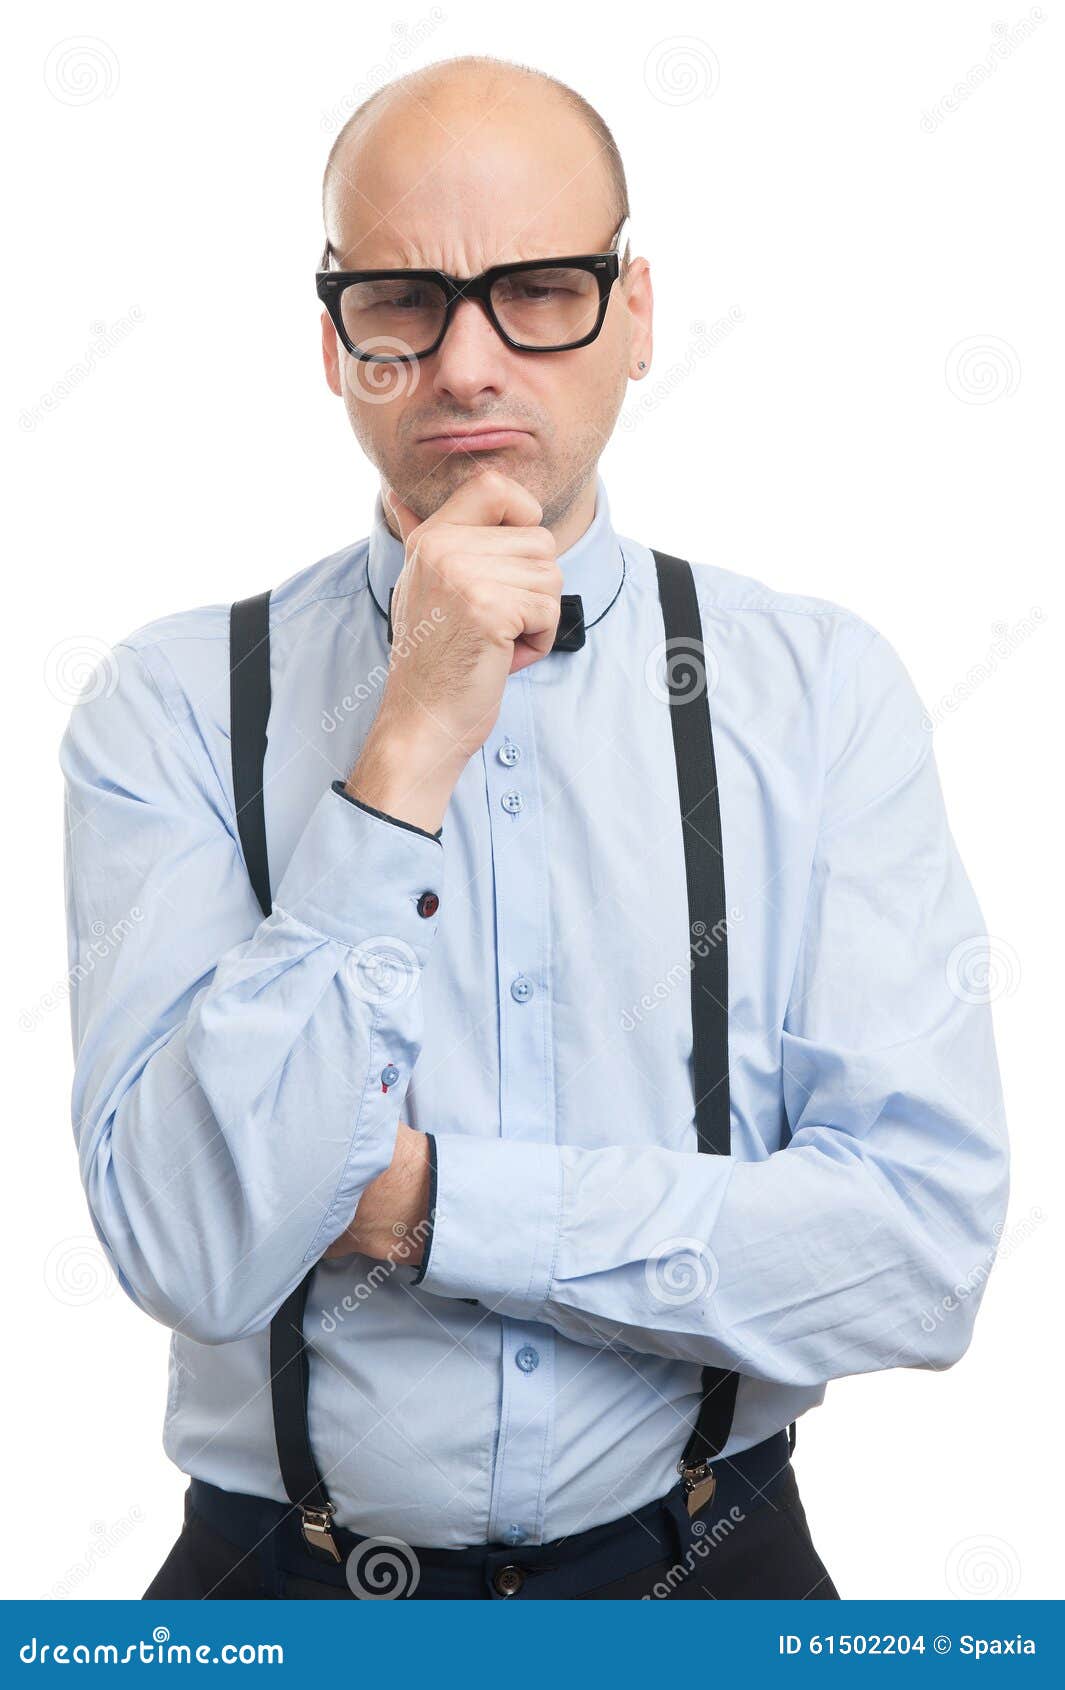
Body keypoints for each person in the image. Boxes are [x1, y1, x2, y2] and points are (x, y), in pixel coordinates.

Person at [59, 55, 1008, 1601]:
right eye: (404, 300)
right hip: (276, 1584)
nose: (467, 363)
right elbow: (187, 1241)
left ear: (634, 313)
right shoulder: (167, 704)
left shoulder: (817, 689)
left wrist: (427, 1204)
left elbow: (914, 1250)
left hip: (711, 1568)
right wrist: (409, 739)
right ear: (335, 340)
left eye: (539, 289)